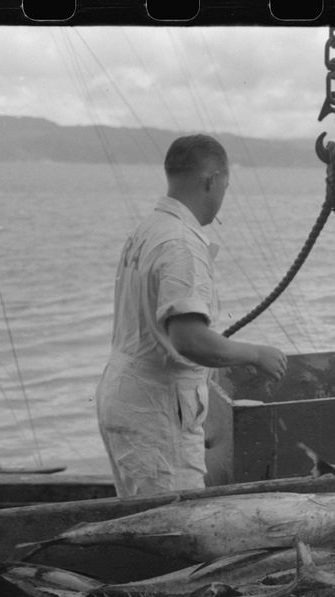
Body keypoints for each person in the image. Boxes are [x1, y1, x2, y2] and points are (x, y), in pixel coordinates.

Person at [96, 134, 288, 498]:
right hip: (157, 410)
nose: (222, 197)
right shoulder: (182, 244)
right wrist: (255, 354)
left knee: (141, 523)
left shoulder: (147, 230)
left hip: (124, 397)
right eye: (225, 186)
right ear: (211, 180)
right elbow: (189, 339)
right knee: (176, 527)